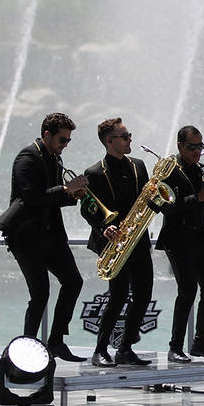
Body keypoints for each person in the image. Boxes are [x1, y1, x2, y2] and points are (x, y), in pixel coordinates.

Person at [0, 112, 88, 362]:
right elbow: (31, 196)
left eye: (68, 140)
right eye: (62, 140)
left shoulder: (55, 159)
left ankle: (56, 341)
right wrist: (66, 188)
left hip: (51, 235)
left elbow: (54, 198)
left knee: (74, 282)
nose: (65, 145)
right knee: (41, 293)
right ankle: (26, 349)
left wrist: (73, 195)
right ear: (47, 135)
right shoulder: (27, 157)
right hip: (25, 236)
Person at [81, 118, 156, 367]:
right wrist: (104, 227)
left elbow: (146, 200)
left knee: (144, 295)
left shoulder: (138, 165)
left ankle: (125, 348)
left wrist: (158, 199)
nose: (129, 139)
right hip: (113, 242)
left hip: (138, 238)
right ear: (109, 141)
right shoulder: (94, 172)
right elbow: (87, 208)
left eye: (129, 135)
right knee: (118, 295)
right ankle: (100, 350)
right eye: (125, 136)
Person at [156, 126, 204, 363]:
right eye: (191, 147)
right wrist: (197, 197)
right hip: (177, 239)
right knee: (187, 290)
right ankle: (175, 346)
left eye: (200, 146)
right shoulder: (168, 170)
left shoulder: (200, 169)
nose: (197, 151)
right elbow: (165, 206)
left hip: (200, 237)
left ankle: (200, 342)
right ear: (180, 146)